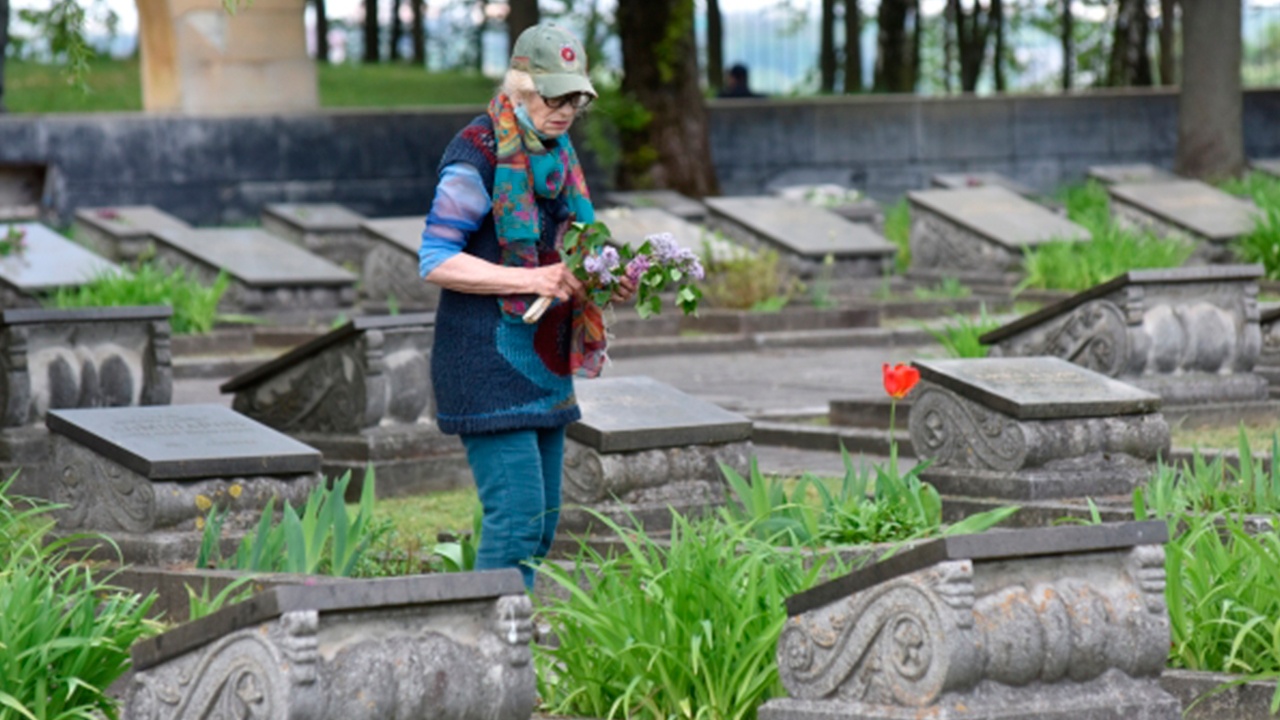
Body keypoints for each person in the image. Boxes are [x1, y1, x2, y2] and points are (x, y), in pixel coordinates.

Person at [418, 23, 634, 590]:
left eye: (576, 99)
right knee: (514, 523)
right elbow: (436, 258)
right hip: (484, 363)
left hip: (543, 366)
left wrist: (609, 278)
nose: (566, 110)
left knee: (540, 528)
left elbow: (569, 250)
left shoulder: (558, 157)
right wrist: (531, 276)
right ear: (519, 88)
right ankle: (491, 649)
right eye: (553, 97)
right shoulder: (476, 152)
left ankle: (517, 645)